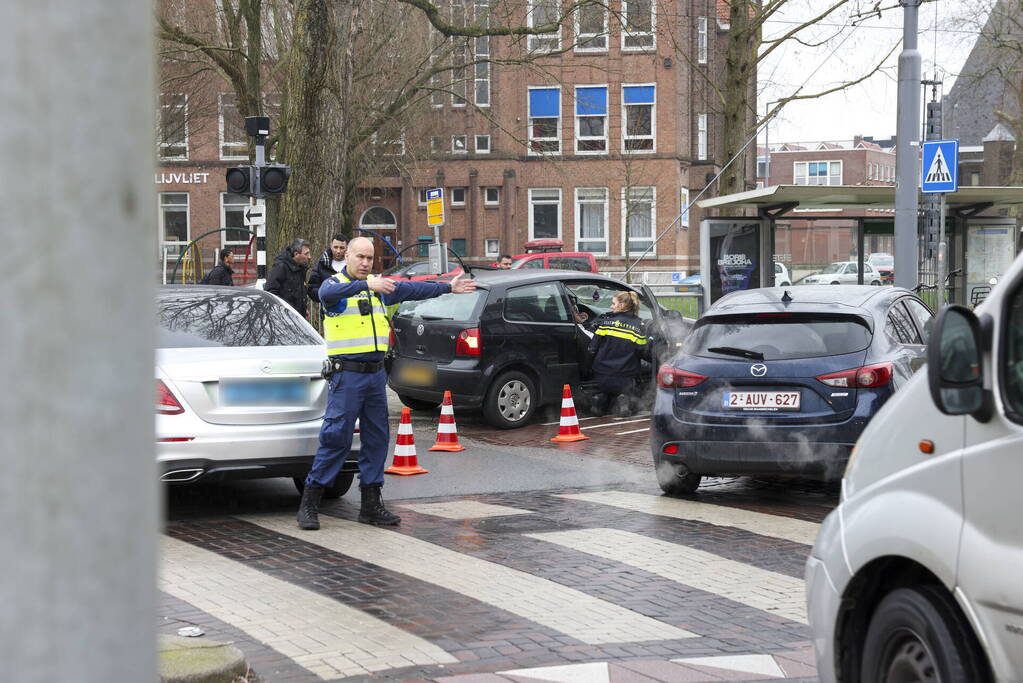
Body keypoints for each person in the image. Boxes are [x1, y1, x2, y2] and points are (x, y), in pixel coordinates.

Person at [297, 236, 477, 530]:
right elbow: (327, 293)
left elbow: (413, 288)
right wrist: (369, 284)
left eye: (370, 259)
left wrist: (448, 287)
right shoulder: (335, 286)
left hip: (375, 376)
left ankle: (371, 504)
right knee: (336, 438)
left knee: (377, 440)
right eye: (360, 257)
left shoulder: (378, 290)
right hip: (347, 376)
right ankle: (310, 503)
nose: (366, 263)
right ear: (348, 257)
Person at [587, 291, 649, 417]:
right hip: (624, 375)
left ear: (622, 305)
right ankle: (624, 400)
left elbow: (592, 348)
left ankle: (599, 399)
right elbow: (643, 351)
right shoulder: (638, 326)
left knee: (605, 391)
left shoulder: (605, 323)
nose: (611, 306)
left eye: (613, 303)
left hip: (602, 374)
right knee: (631, 390)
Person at [264, 238, 312, 317]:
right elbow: (270, 292)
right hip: (284, 318)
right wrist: (286, 311)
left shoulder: (301, 267)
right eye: (306, 254)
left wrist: (303, 309)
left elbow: (297, 291)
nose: (309, 257)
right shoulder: (280, 267)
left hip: (297, 316)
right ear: (296, 254)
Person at [307, 234, 348, 308]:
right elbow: (312, 289)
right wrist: (327, 295)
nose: (338, 251)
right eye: (335, 247)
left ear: (347, 248)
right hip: (328, 311)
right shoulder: (322, 265)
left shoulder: (353, 265)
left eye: (342, 248)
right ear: (331, 246)